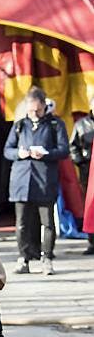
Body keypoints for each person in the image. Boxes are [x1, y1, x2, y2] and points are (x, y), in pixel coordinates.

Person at [4, 85, 69, 276]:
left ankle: (47, 258)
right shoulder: (19, 125)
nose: (34, 113)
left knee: (47, 223)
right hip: (22, 180)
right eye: (30, 109)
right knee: (21, 223)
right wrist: (20, 153)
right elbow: (7, 150)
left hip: (44, 179)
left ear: (44, 105)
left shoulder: (55, 124)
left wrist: (46, 153)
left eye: (37, 109)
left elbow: (64, 150)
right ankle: (23, 258)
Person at [69, 94, 94, 254]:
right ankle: (92, 242)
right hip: (88, 172)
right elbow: (73, 147)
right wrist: (81, 161)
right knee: (90, 206)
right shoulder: (81, 124)